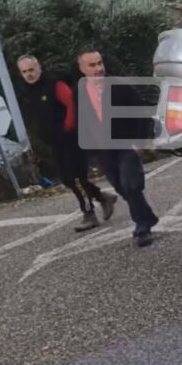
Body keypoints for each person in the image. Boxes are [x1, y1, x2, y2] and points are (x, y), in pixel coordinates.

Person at [16, 55, 116, 232]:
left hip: (71, 139)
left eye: (31, 70)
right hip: (55, 143)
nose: (29, 74)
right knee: (68, 179)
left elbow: (72, 103)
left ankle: (89, 213)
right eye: (24, 72)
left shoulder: (54, 85)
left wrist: (68, 127)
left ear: (39, 68)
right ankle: (102, 197)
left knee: (76, 178)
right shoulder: (28, 92)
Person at [73, 49, 159, 247]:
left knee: (131, 185)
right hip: (104, 150)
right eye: (92, 65)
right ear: (82, 69)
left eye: (100, 63)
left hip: (126, 145)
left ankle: (142, 228)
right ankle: (147, 216)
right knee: (121, 188)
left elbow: (141, 112)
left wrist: (139, 142)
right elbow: (82, 122)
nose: (98, 69)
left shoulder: (119, 86)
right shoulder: (79, 93)